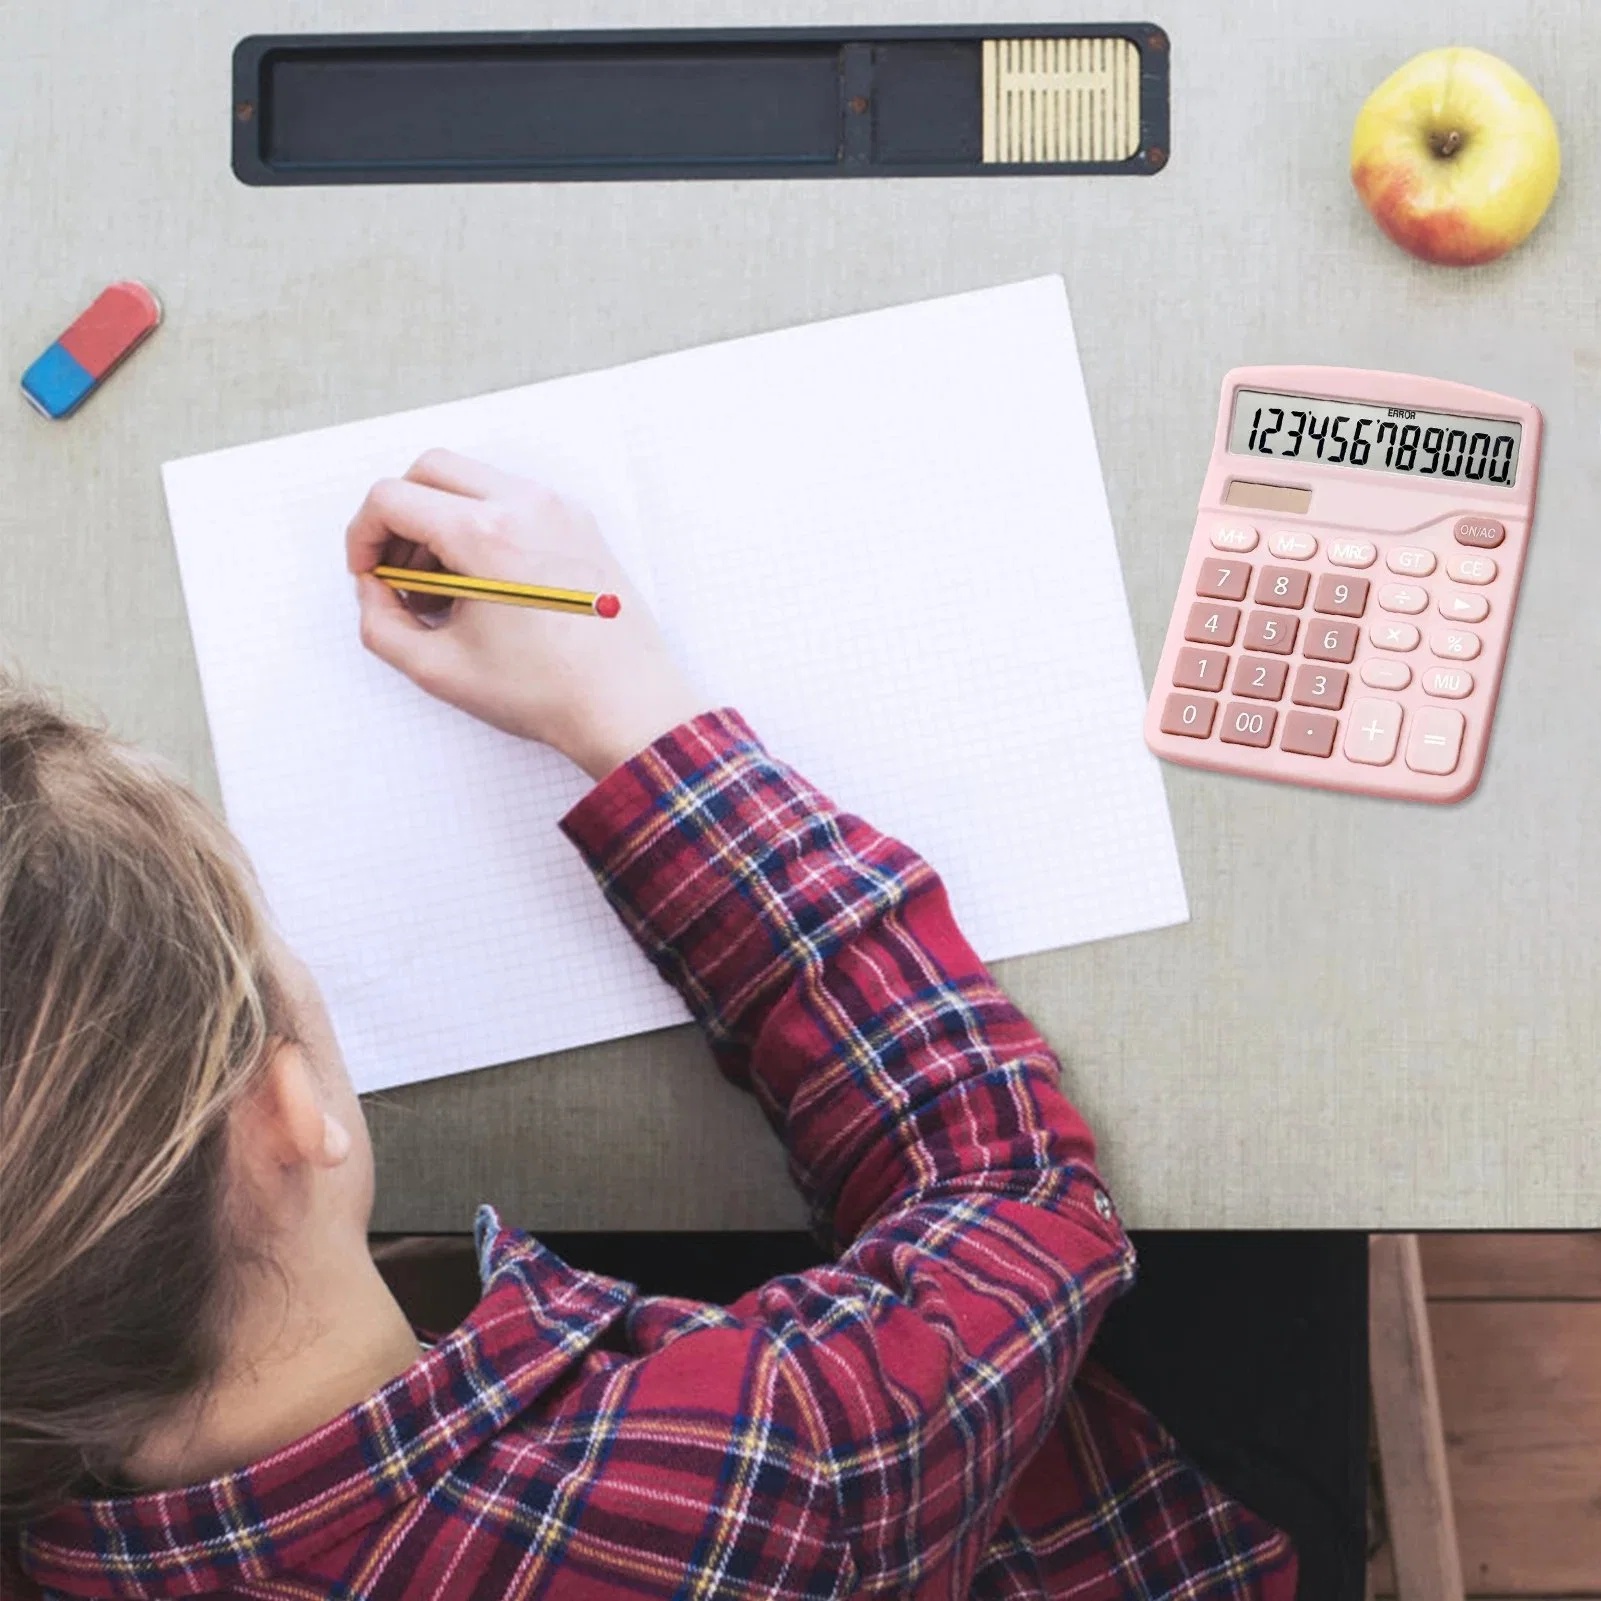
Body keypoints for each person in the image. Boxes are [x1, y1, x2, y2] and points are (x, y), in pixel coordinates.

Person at [0, 450, 1297, 1599]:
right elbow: (1013, 1198)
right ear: (290, 1115)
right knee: (1269, 1249)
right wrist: (632, 717)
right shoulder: (748, 1484)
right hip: (1062, 1527)